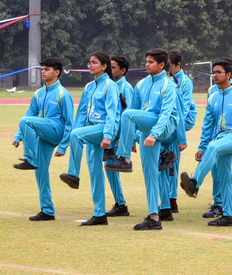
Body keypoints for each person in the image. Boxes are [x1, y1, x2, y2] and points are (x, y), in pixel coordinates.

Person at [104, 48, 185, 230]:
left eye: (150, 62)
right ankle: (154, 218)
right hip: (147, 129)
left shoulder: (169, 85)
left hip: (164, 127)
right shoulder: (141, 84)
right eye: (146, 61)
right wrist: (131, 139)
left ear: (161, 65)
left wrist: (155, 134)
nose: (146, 64)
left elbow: (166, 114)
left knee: (129, 115)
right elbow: (133, 111)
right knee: (150, 173)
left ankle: (124, 159)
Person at [179, 58, 232, 226]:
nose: (214, 75)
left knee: (213, 148)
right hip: (218, 139)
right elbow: (207, 124)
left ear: (228, 75)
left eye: (218, 72)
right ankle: (228, 216)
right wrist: (201, 147)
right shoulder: (212, 95)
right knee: (224, 178)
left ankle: (194, 183)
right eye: (213, 72)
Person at [59, 52, 122, 225]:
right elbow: (81, 114)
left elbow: (113, 113)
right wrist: (77, 133)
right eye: (89, 63)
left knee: (76, 135)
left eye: (94, 63)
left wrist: (108, 136)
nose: (90, 65)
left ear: (104, 66)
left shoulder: (110, 85)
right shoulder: (88, 87)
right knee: (95, 173)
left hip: (103, 129)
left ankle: (73, 175)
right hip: (91, 130)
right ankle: (100, 214)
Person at [13, 57, 75, 221]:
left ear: (56, 72)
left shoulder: (63, 94)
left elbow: (70, 123)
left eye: (46, 69)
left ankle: (30, 158)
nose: (43, 72)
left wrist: (63, 147)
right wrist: (18, 136)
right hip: (43, 132)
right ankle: (47, 210)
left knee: (25, 122)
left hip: (56, 131)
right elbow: (30, 115)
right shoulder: (38, 93)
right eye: (42, 69)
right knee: (40, 171)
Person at [105, 55, 139, 217]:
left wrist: (126, 138)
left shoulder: (125, 87)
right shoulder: (110, 85)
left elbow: (129, 113)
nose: (110, 70)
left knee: (111, 167)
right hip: (109, 133)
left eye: (113, 67)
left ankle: (121, 204)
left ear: (123, 70)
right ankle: (120, 203)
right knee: (109, 168)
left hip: (117, 135)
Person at [167, 50, 197, 215]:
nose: (168, 68)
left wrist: (176, 128)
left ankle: (172, 201)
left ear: (178, 65)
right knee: (167, 160)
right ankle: (169, 200)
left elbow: (183, 108)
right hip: (171, 121)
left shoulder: (185, 82)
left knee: (172, 160)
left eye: (170, 65)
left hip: (181, 121)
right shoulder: (167, 78)